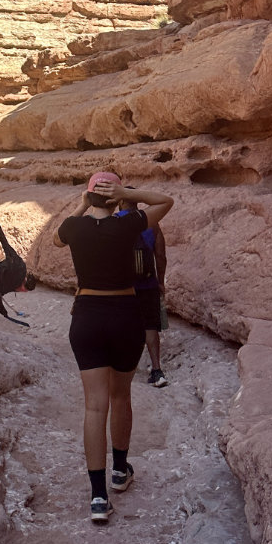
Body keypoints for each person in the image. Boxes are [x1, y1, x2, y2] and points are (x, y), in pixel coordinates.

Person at [53, 171, 174, 524]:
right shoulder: (129, 224)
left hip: (87, 317)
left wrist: (82, 203)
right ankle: (120, 471)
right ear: (116, 198)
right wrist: (127, 193)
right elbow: (166, 201)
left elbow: (58, 239)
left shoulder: (75, 228)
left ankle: (98, 497)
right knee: (121, 396)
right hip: (125, 315)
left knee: (94, 407)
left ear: (90, 198)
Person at [115, 197, 170, 388]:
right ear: (137, 203)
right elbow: (161, 256)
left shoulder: (113, 222)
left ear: (121, 203)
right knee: (150, 326)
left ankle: (119, 367)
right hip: (147, 284)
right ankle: (156, 370)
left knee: (121, 324)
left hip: (122, 286)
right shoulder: (151, 223)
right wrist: (160, 282)